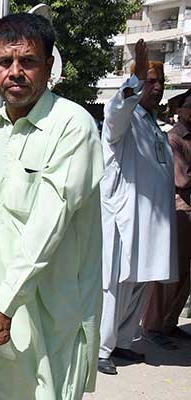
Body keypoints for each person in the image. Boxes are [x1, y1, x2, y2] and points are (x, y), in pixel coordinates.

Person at [0, 13, 103, 400]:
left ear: (49, 66)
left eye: (29, 62)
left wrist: (5, 303)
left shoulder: (72, 126)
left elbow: (48, 225)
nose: (15, 72)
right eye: (5, 62)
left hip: (52, 314)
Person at [97, 39, 177, 375]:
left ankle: (123, 343)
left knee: (141, 282)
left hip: (152, 221)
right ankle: (101, 349)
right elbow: (114, 113)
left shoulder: (153, 124)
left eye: (160, 83)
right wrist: (133, 83)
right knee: (117, 283)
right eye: (149, 81)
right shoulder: (124, 119)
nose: (156, 88)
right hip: (124, 217)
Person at [141, 90, 191, 349]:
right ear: (180, 110)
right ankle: (152, 326)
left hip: (186, 209)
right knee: (168, 272)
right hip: (179, 209)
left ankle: (169, 323)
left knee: (185, 274)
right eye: (190, 107)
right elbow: (181, 179)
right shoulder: (174, 138)